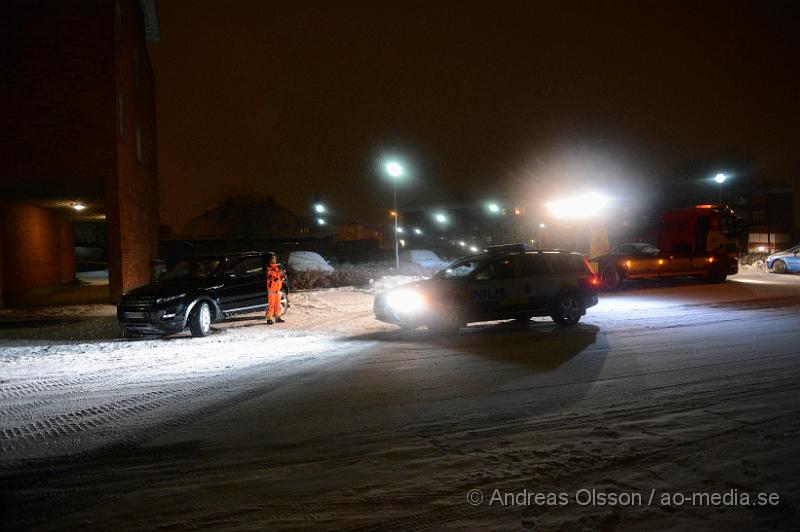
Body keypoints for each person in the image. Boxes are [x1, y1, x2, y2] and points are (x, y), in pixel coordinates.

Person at [265, 253, 284, 325]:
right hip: (272, 290)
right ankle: (269, 319)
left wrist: (282, 277)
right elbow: (269, 276)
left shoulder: (276, 268)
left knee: (278, 304)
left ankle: (278, 317)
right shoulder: (269, 268)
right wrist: (274, 279)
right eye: (272, 258)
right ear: (270, 259)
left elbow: (279, 276)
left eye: (274, 258)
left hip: (277, 289)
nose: (274, 259)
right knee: (271, 305)